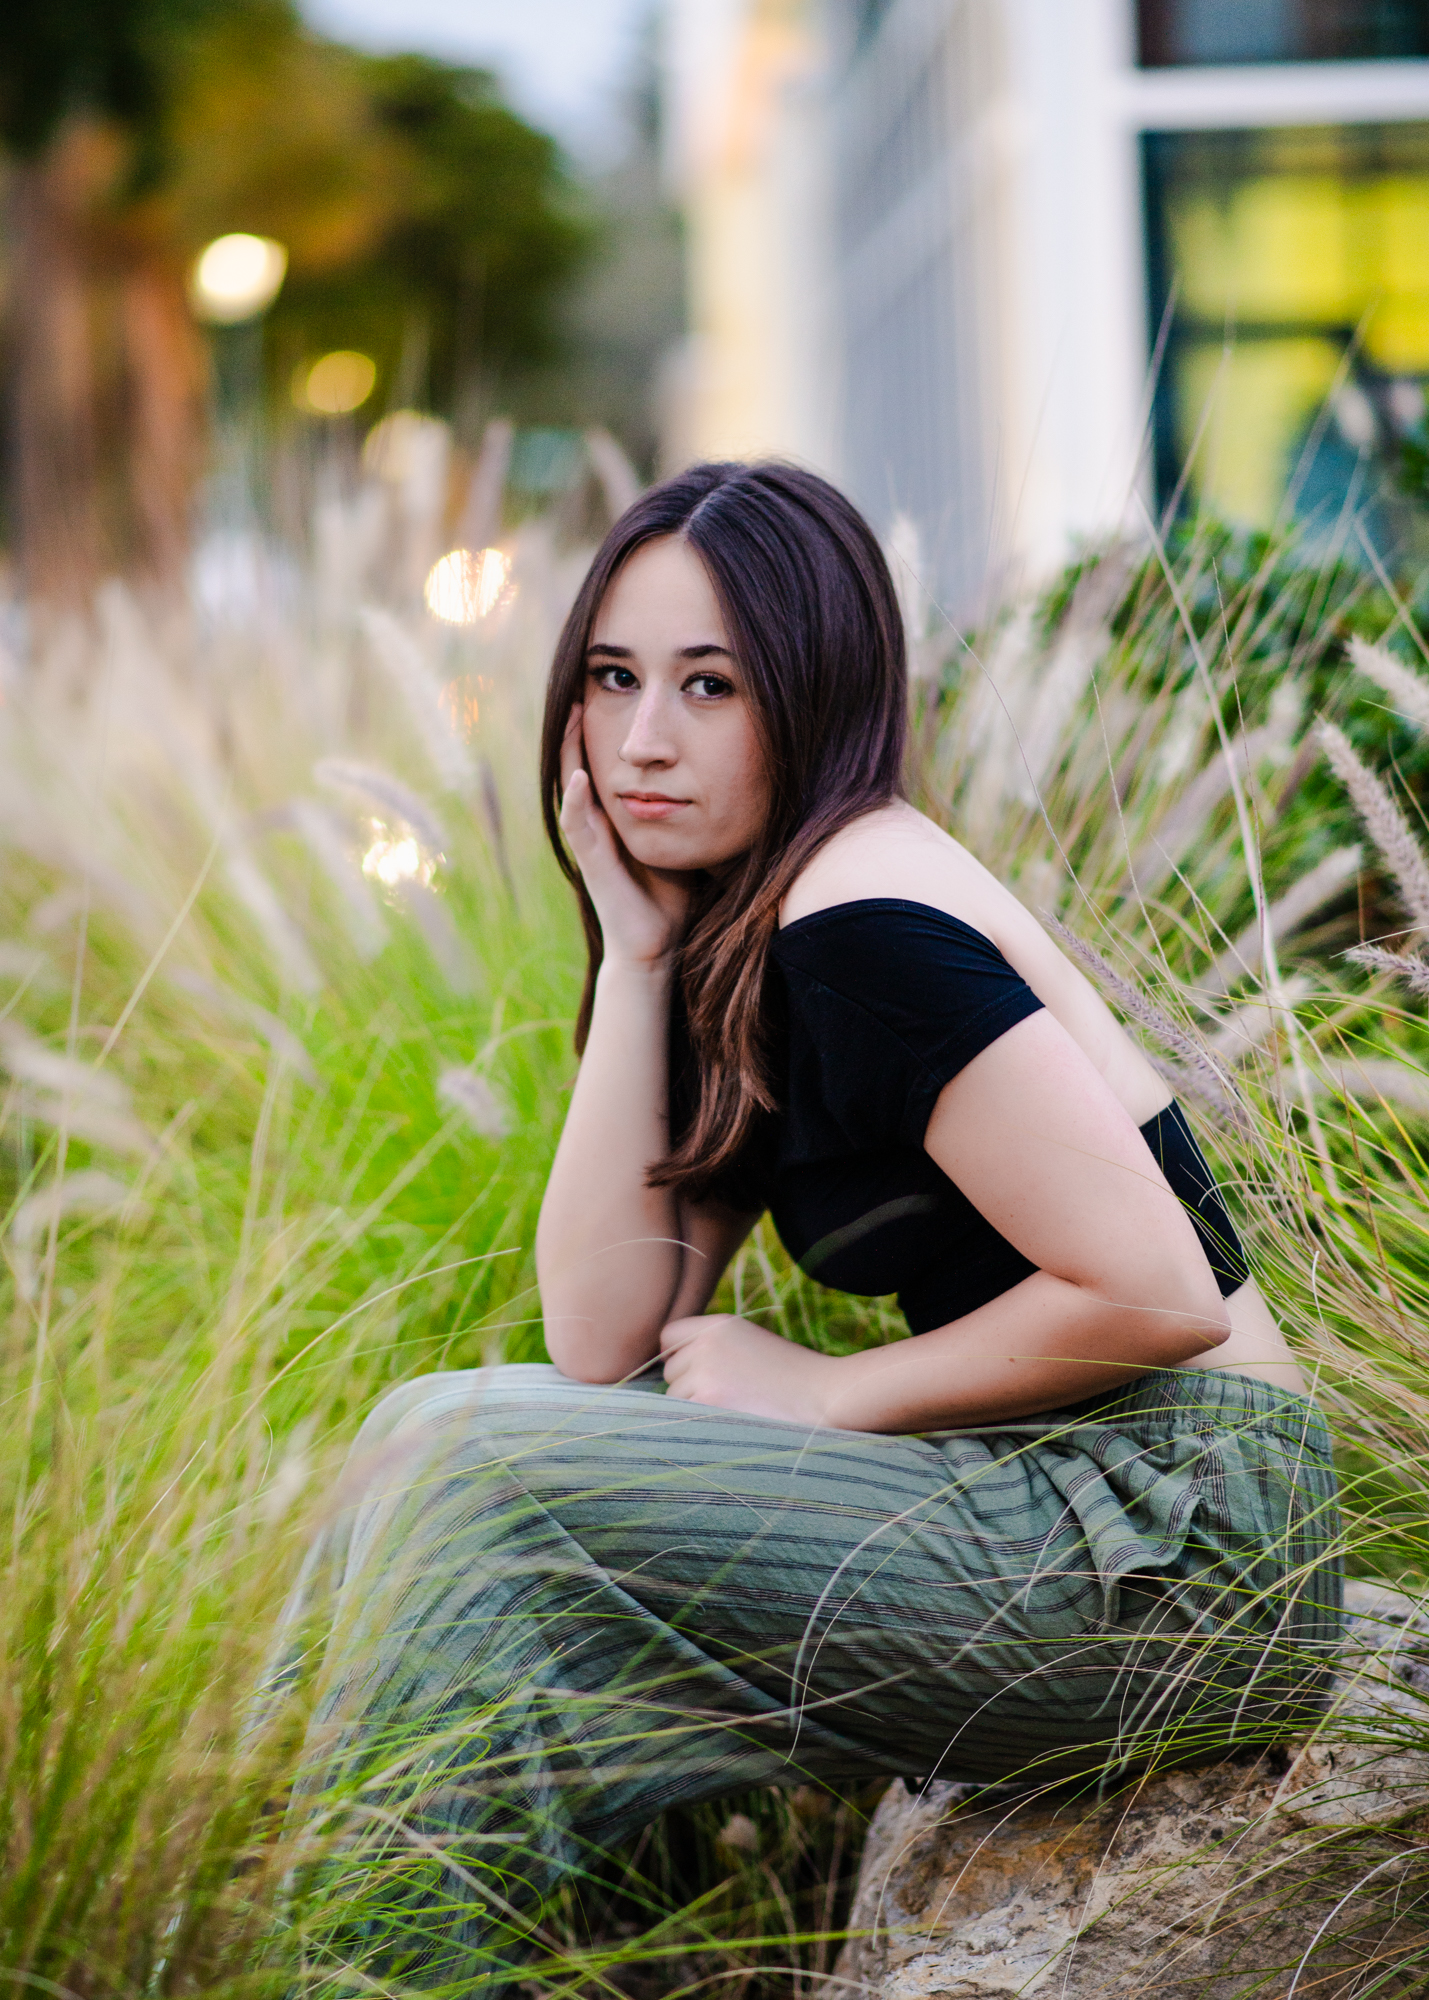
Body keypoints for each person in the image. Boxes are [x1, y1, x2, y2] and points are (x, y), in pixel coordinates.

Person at [275, 463, 1342, 1988]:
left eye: (709, 685)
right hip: (1068, 1512)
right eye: (611, 678)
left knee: (469, 1469)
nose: (644, 739)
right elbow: (599, 1331)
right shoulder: (738, 924)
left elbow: (1158, 1289)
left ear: (812, 692)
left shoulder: (856, 921)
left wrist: (823, 1388)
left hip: (1181, 1547)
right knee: (423, 1436)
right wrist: (639, 962)